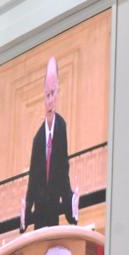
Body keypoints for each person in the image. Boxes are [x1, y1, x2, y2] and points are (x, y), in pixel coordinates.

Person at [20, 56, 79, 233]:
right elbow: (32, 182)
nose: (50, 100)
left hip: (53, 211)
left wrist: (71, 204)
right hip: (39, 215)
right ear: (43, 97)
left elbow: (63, 172)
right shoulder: (37, 139)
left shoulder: (61, 127)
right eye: (47, 95)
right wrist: (25, 214)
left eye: (53, 93)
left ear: (58, 93)